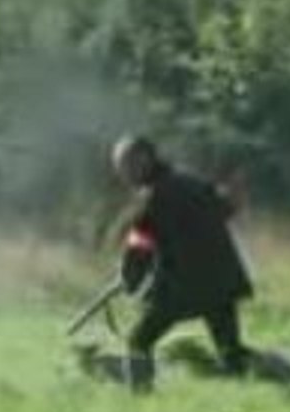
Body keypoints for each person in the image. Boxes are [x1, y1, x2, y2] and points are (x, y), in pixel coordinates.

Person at [109, 134, 255, 393]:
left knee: (138, 341)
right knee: (231, 354)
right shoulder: (189, 181)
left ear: (144, 159)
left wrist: (130, 276)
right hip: (222, 281)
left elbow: (141, 244)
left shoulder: (154, 195)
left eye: (125, 165)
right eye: (120, 167)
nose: (123, 174)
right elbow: (224, 209)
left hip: (186, 286)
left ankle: (140, 400)